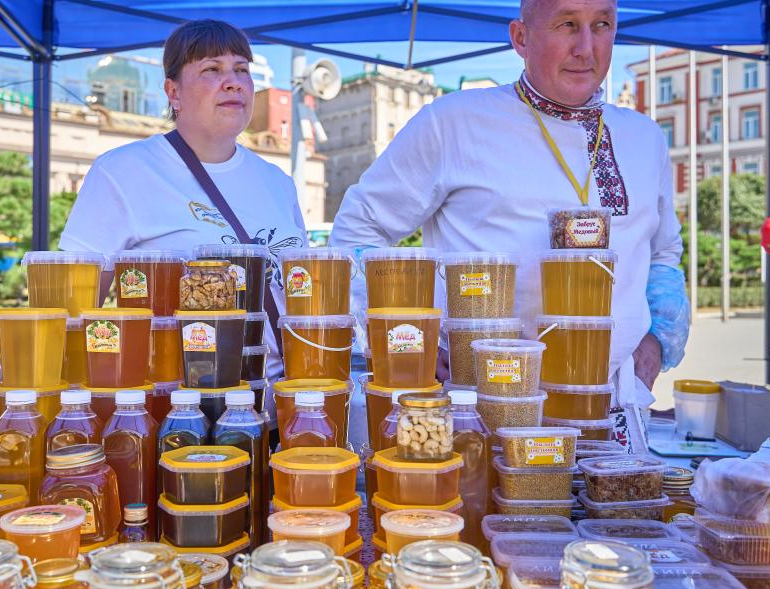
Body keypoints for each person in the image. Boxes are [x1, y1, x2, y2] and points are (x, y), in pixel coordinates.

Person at [329, 0, 690, 450]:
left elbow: (662, 253)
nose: (586, 47)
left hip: (611, 411)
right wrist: (413, 343)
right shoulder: (453, 122)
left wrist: (658, 339)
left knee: (606, 523)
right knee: (481, 517)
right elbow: (357, 234)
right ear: (520, 37)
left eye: (602, 26)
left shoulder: (644, 138)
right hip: (478, 411)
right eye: (567, 25)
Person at [58, 19, 307, 382]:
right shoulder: (124, 171)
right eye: (211, 69)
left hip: (282, 411)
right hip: (176, 412)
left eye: (242, 69)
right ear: (173, 93)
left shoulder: (278, 182)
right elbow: (73, 311)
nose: (233, 81)